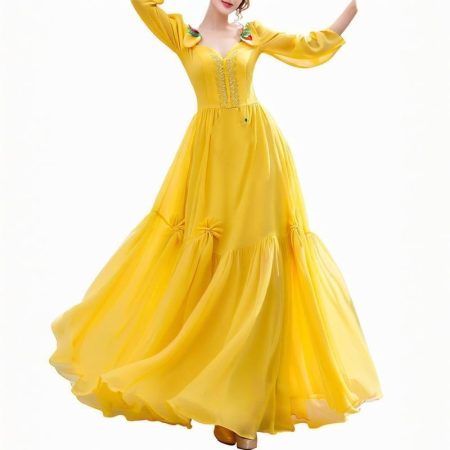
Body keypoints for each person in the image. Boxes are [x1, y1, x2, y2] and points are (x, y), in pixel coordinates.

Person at [49, 1, 383, 449]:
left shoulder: (254, 34)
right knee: (208, 268)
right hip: (209, 160)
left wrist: (355, 8)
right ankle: (212, 393)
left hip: (261, 158)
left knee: (262, 272)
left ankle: (243, 413)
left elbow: (309, 47)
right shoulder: (182, 36)